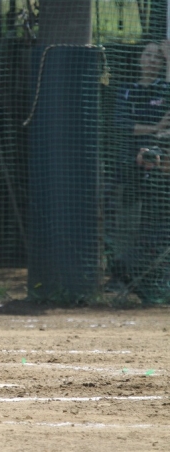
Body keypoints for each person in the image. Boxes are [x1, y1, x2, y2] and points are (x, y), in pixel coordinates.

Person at [111, 41, 170, 292]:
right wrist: (155, 128)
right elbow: (123, 125)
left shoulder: (165, 89)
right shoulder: (127, 90)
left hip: (160, 170)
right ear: (139, 59)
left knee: (156, 225)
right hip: (130, 167)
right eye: (148, 55)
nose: (152, 60)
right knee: (128, 224)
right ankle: (120, 276)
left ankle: (150, 277)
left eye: (157, 57)